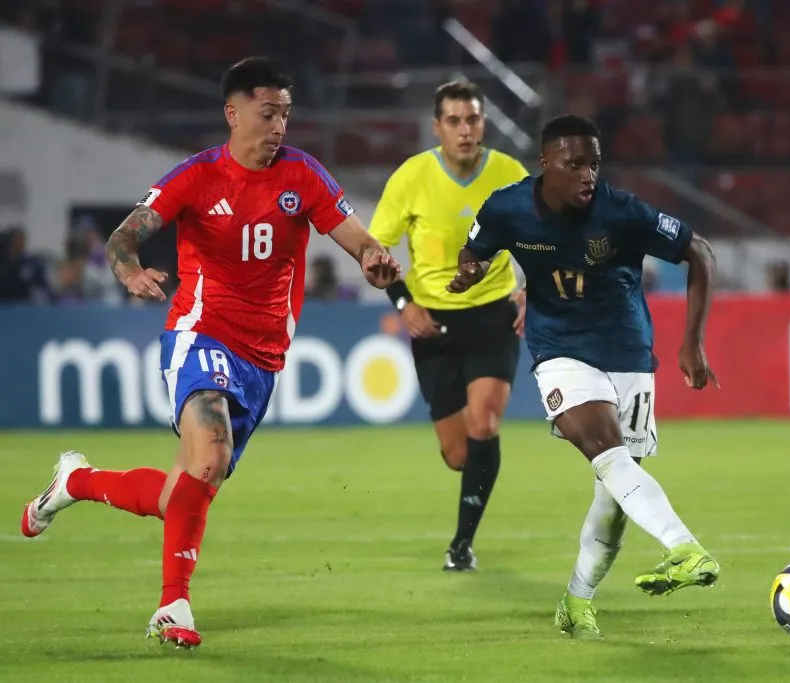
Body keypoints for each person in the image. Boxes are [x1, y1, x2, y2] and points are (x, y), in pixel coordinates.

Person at [19, 57, 400, 649]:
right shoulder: (196, 177)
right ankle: (174, 606)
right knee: (211, 450)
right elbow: (125, 235)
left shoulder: (304, 175)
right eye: (267, 113)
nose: (279, 126)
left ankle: (77, 482)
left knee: (182, 492)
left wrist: (374, 259)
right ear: (233, 113)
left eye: (286, 114)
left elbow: (357, 238)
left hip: (264, 357)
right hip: (201, 334)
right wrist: (128, 270)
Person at [447, 114, 720, 639]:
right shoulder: (507, 206)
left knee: (613, 495)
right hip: (560, 350)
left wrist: (692, 341)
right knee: (605, 450)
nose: (587, 175)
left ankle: (576, 601)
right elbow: (475, 248)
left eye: (594, 163)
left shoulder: (621, 211)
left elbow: (699, 252)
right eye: (574, 164)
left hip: (629, 352)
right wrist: (469, 270)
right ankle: (685, 548)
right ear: (545, 164)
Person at [369, 81, 528, 572]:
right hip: (432, 323)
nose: (465, 129)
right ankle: (464, 529)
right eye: (455, 121)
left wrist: (533, 287)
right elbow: (376, 252)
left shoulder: (510, 174)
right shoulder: (411, 177)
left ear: (484, 123)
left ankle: (461, 545)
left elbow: (545, 235)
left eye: (474, 119)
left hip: (492, 315)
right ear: (437, 127)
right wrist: (403, 302)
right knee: (459, 455)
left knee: (486, 421)